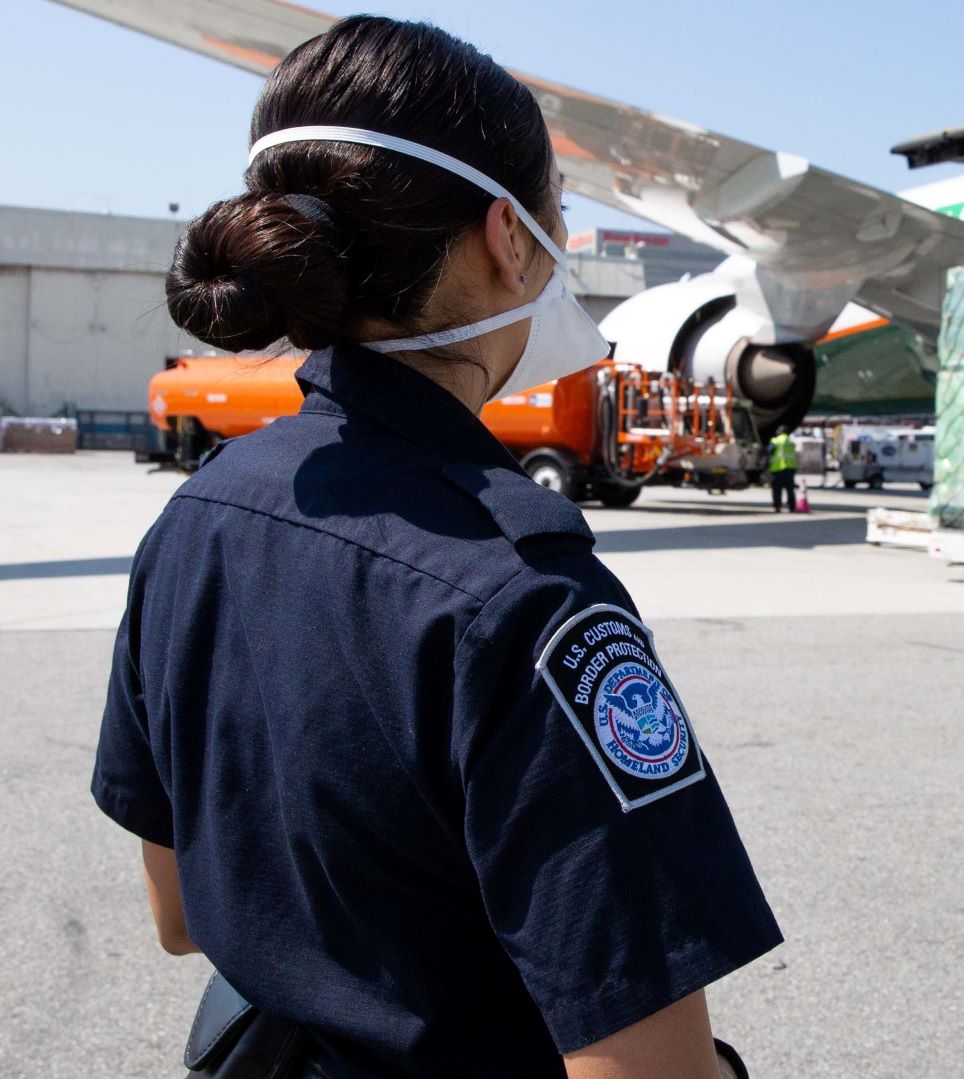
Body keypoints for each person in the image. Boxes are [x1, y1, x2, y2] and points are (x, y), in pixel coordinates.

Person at [90, 17, 780, 1078]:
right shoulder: (524, 597)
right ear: (509, 237)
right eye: (557, 214)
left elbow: (181, 912)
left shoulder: (195, 519)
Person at [766, 427, 799, 512]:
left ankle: (777, 506)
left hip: (778, 468)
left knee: (777, 489)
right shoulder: (791, 441)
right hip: (790, 468)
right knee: (790, 489)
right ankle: (792, 507)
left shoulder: (776, 440)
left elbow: (769, 451)